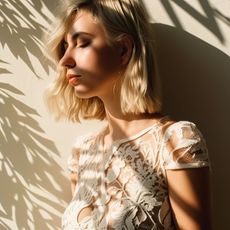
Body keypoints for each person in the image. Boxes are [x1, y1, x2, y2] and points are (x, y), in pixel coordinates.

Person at [45, 0, 212, 229]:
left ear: (123, 50)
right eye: (65, 46)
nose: (65, 60)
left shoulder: (176, 141)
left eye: (82, 43)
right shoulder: (82, 153)